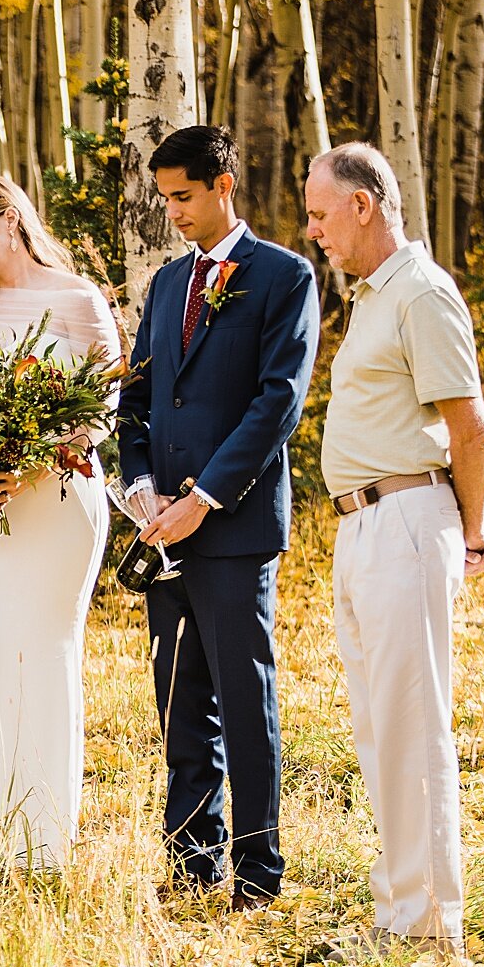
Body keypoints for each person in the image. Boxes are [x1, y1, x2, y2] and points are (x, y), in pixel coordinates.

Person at [305, 142, 484, 959]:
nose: (314, 229)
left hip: (404, 521)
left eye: (322, 213)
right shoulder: (373, 296)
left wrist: (468, 527)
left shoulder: (420, 291)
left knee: (412, 724)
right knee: (378, 726)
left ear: (364, 204)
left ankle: (427, 927)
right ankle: (400, 909)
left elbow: (468, 423)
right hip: (362, 525)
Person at [117, 125, 320, 912]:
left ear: (223, 184)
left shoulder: (283, 277)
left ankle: (256, 876)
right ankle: (191, 862)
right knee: (178, 702)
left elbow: (279, 403)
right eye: (163, 196)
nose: (171, 211)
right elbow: (139, 400)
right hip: (162, 532)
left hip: (231, 530)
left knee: (244, 699)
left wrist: (204, 498)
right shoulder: (168, 285)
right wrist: (140, 490)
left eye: (183, 196)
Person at [0, 175, 123, 865]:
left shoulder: (76, 297)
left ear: (11, 219)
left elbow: (105, 404)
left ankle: (39, 835)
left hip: (59, 502)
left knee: (38, 649)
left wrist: (36, 458)